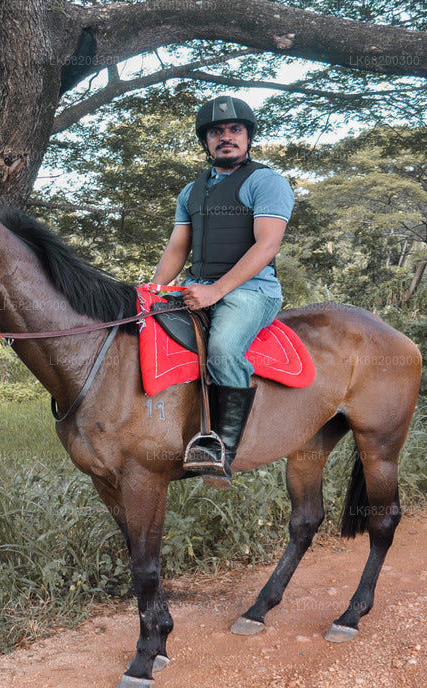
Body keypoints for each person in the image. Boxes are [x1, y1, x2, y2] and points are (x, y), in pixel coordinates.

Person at [150, 95, 294, 480]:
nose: (226, 137)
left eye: (235, 130)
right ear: (206, 141)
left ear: (248, 137)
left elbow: (267, 245)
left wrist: (216, 292)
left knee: (224, 351)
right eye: (216, 132)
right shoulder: (191, 191)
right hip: (197, 287)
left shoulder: (266, 182)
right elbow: (178, 247)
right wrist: (152, 288)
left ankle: (222, 453)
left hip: (253, 291)